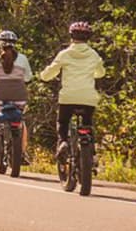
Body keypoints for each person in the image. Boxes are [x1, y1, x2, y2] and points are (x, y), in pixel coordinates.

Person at [40, 21, 105, 161]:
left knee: (63, 122)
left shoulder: (64, 54)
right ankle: (91, 155)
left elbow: (48, 74)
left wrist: (43, 76)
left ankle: (63, 141)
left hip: (68, 97)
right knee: (87, 123)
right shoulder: (94, 55)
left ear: (71, 36)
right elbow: (100, 73)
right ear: (88, 38)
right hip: (88, 98)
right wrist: (90, 73)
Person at [0, 30, 33, 163]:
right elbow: (28, 78)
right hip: (19, 97)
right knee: (21, 122)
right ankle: (23, 152)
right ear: (15, 44)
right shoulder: (23, 58)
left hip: (0, 97)